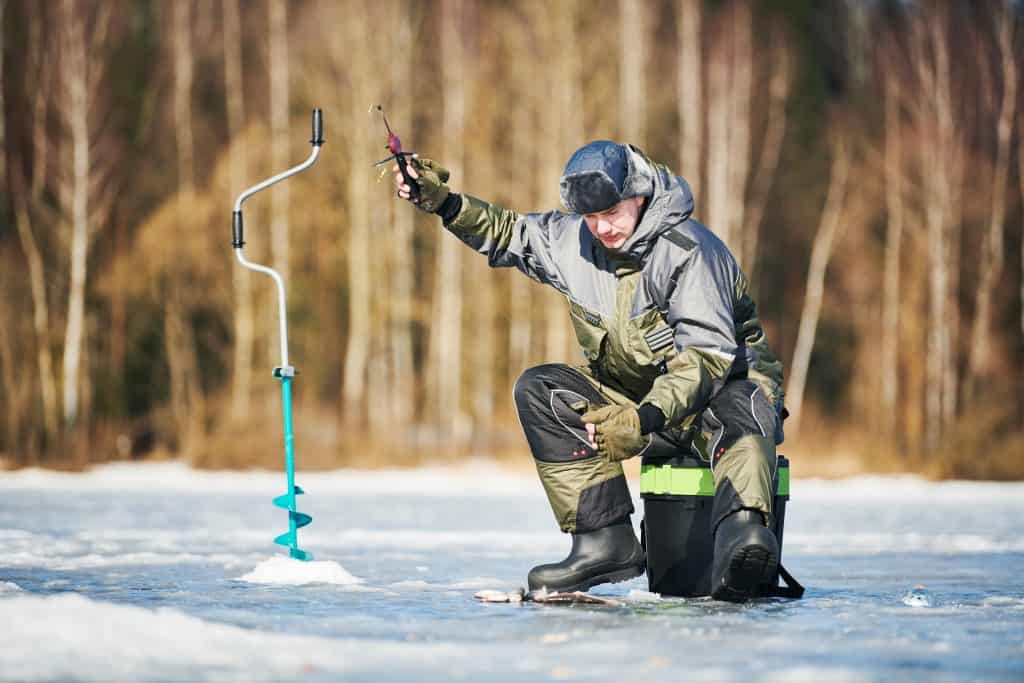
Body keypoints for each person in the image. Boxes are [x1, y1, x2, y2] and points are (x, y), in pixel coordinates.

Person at [393, 141, 786, 602]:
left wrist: (642, 419)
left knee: (745, 400)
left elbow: (706, 358)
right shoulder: (573, 242)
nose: (602, 228)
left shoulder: (690, 251)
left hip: (713, 400)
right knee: (543, 391)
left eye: (612, 212)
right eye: (591, 217)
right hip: (634, 402)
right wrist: (445, 203)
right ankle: (604, 541)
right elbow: (507, 233)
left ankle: (741, 535)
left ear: (640, 194)